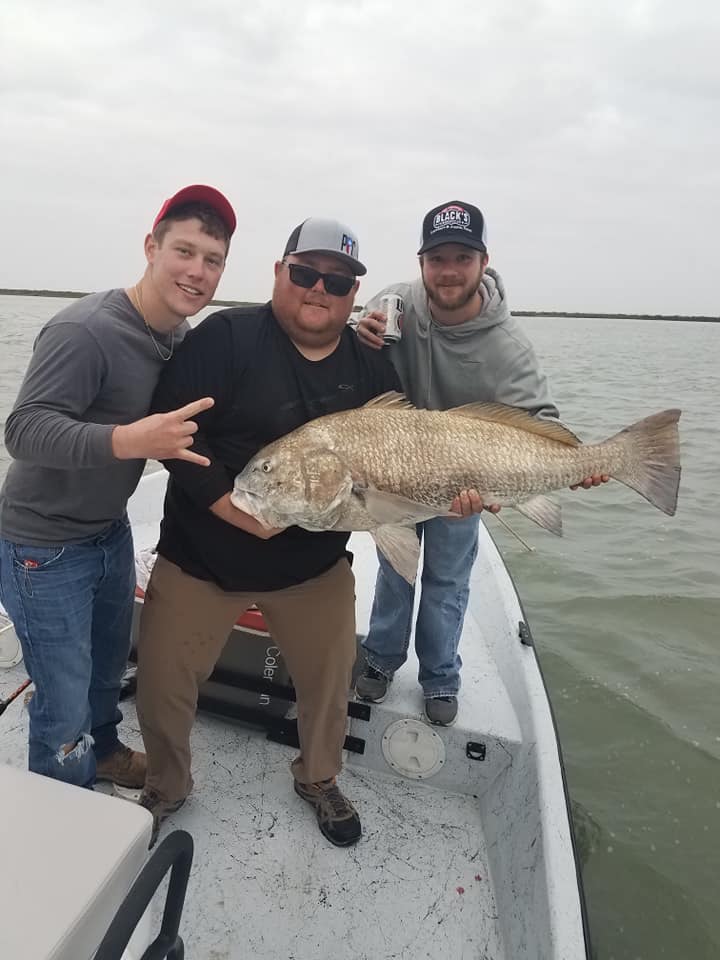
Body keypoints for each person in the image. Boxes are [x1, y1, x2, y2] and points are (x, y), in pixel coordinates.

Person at [135, 217, 401, 848]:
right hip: (204, 555)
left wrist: (457, 494)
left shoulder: (371, 369)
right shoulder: (225, 338)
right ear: (279, 273)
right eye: (305, 273)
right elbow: (172, 435)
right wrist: (231, 510)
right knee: (163, 685)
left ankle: (317, 777)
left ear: (352, 292)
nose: (319, 289)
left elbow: (401, 465)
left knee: (331, 683)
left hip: (312, 567)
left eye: (336, 281)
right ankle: (167, 784)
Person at [0, 184, 235, 789]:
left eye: (213, 260)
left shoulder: (179, 341)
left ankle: (103, 753)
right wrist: (127, 441)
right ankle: (66, 807)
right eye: (184, 251)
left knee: (107, 669)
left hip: (108, 532)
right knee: (63, 697)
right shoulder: (86, 330)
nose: (197, 271)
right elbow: (23, 430)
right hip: (41, 547)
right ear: (151, 247)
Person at [354, 200, 607, 726]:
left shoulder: (509, 346)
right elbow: (349, 350)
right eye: (437, 258)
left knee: (448, 577)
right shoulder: (394, 302)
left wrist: (580, 464)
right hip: (393, 471)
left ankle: (440, 677)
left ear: (483, 261)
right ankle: (379, 659)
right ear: (421, 261)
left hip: (466, 479)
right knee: (393, 570)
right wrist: (360, 333)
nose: (448, 271)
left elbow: (543, 420)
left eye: (461, 258)